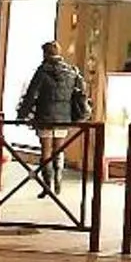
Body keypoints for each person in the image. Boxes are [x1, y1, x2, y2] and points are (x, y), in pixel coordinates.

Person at [15, 41, 89, 194]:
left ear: (46, 54)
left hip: (45, 117)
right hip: (63, 118)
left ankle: (46, 186)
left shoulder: (42, 71)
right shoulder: (71, 71)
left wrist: (21, 115)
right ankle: (58, 180)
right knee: (58, 150)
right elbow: (79, 93)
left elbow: (30, 95)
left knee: (46, 152)